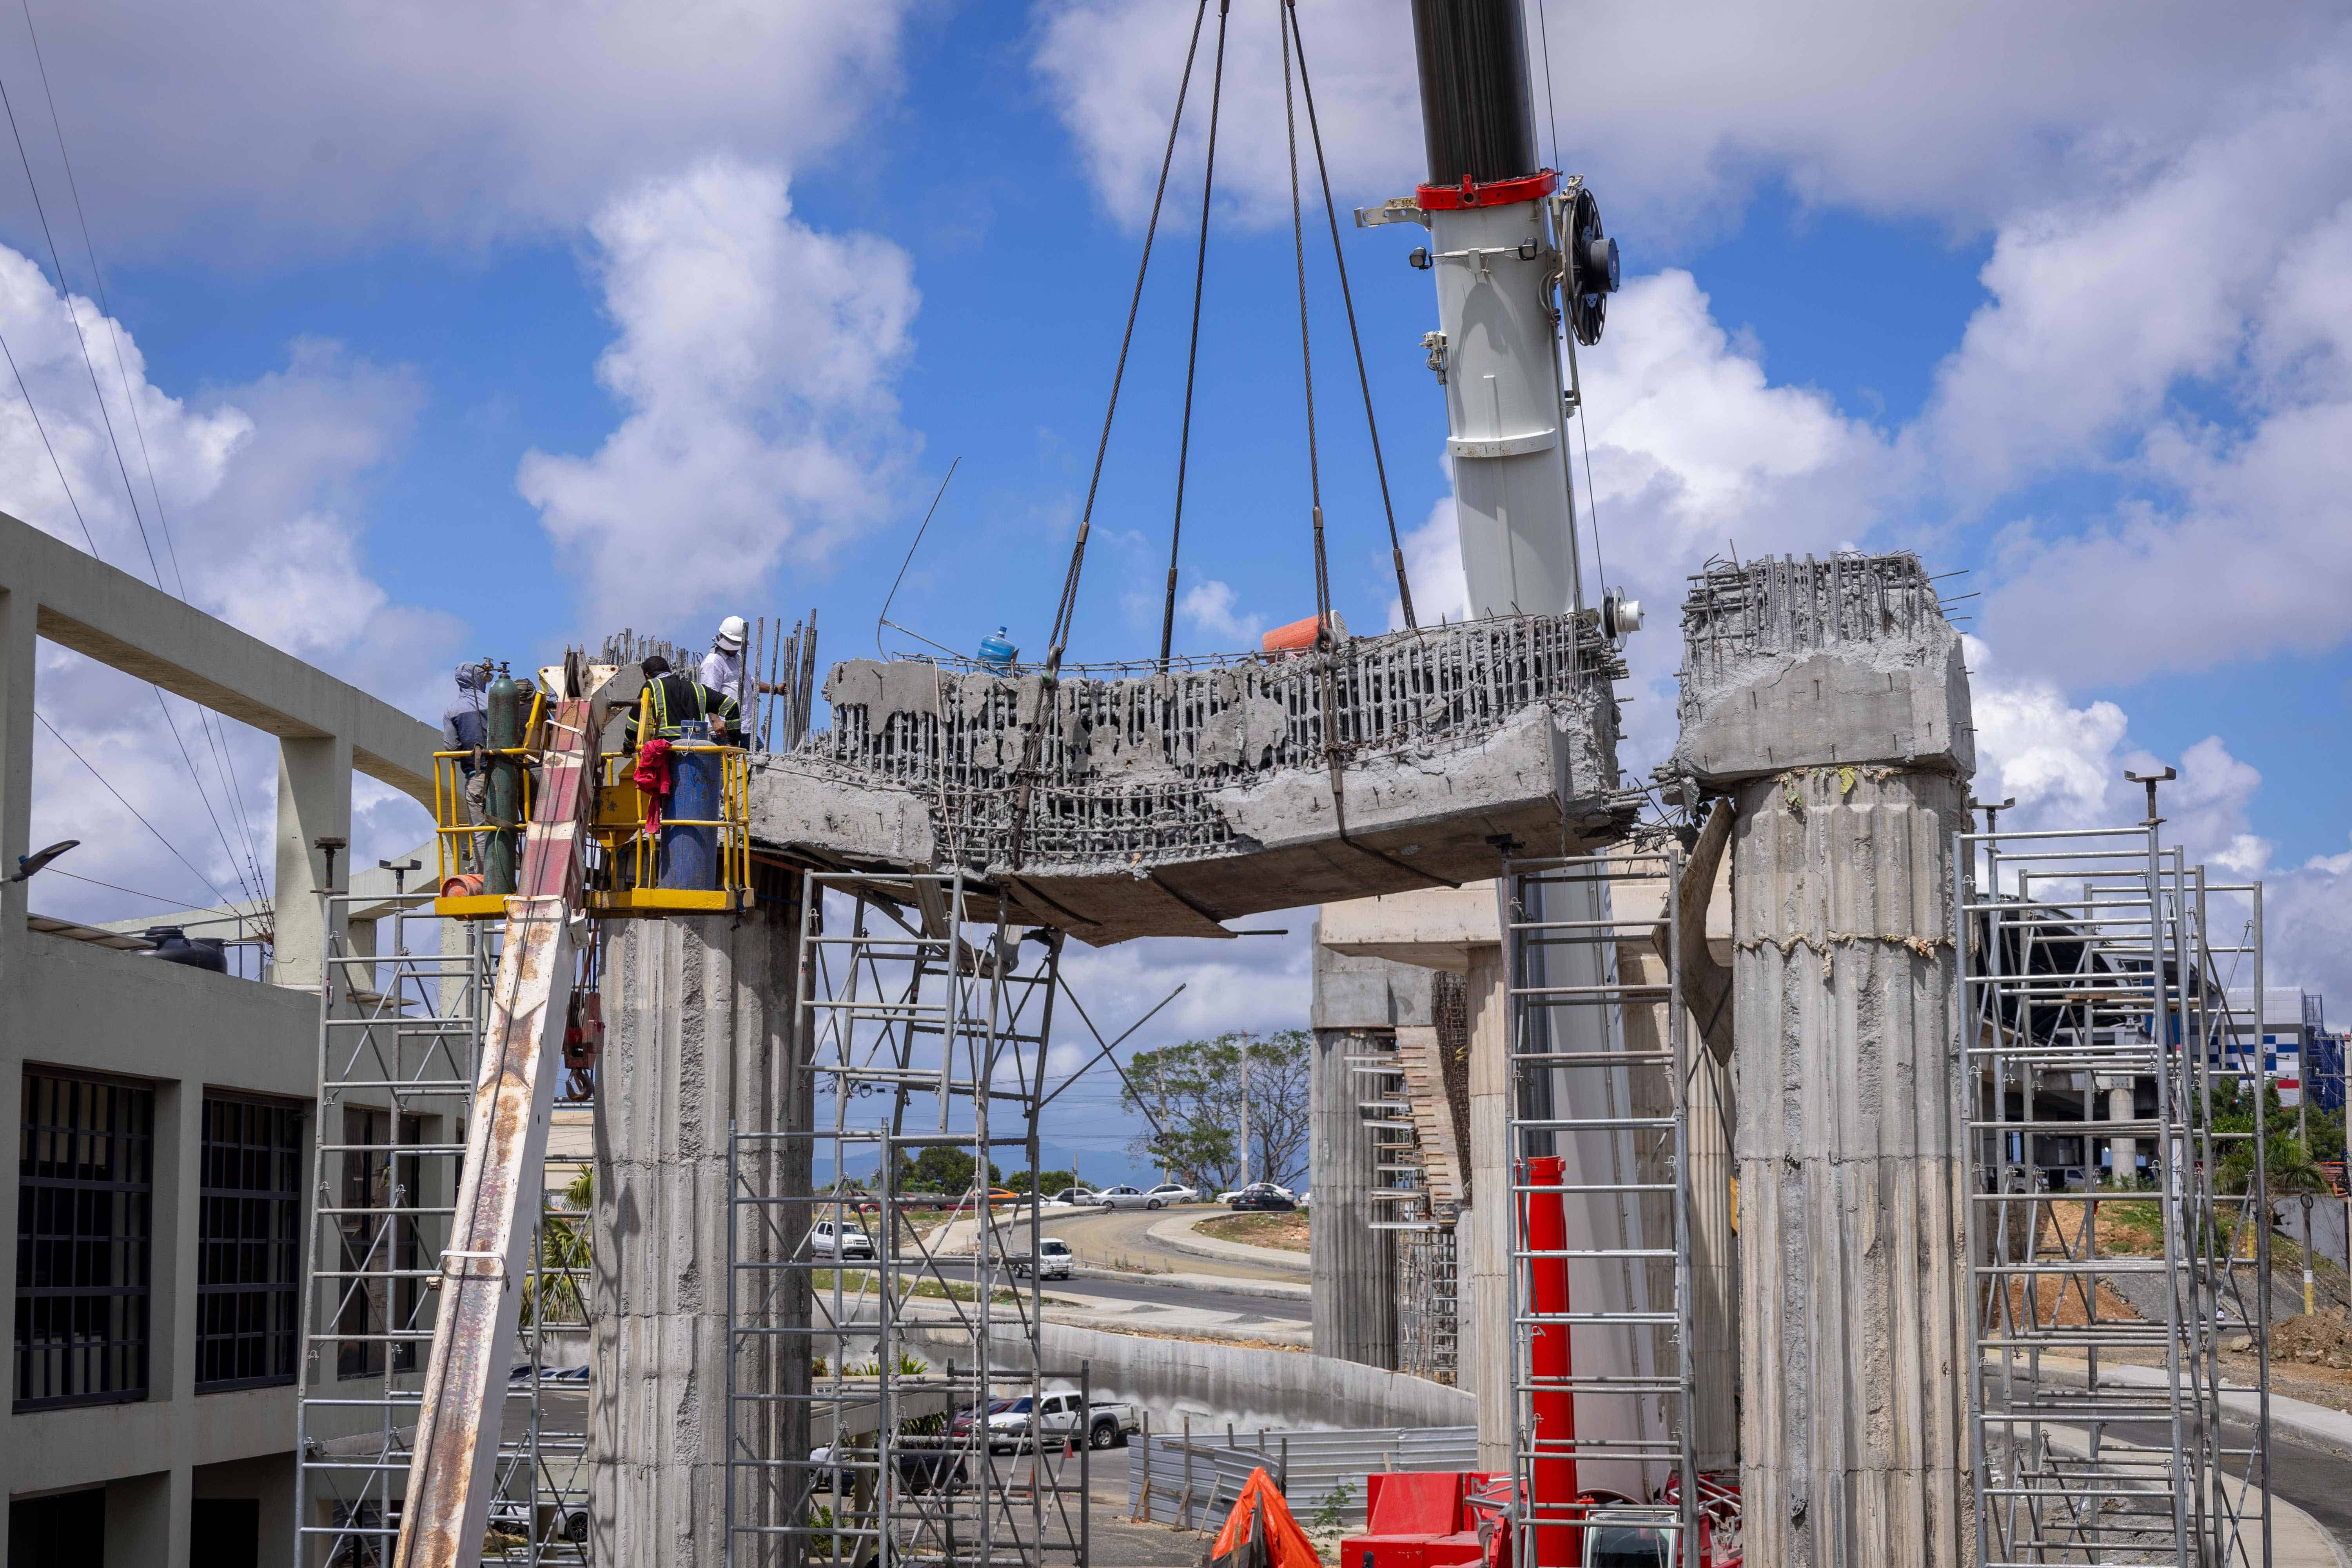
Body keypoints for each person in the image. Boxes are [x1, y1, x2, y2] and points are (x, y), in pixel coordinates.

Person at [626, 654, 739, 749]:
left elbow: (634, 723)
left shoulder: (652, 685)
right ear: (669, 670)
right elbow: (731, 705)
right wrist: (733, 742)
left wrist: (628, 746)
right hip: (697, 751)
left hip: (666, 752)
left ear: (647, 675)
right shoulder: (698, 689)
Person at [698, 616, 749, 712]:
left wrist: (775, 689)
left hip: (742, 718)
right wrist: (716, 720)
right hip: (723, 720)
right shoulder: (713, 662)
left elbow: (751, 683)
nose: (733, 650)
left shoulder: (737, 658)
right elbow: (708, 696)